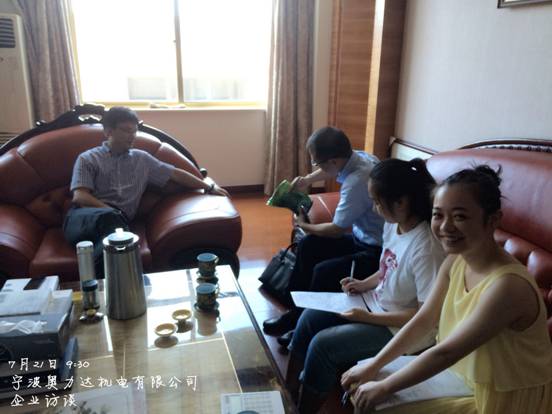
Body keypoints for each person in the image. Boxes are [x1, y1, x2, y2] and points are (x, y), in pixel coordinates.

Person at [341, 165, 552, 414]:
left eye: (460, 216)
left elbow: (447, 352)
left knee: (378, 401)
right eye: (438, 215)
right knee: (366, 382)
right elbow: (425, 319)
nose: (445, 227)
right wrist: (375, 365)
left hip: (499, 396)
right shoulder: (456, 259)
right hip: (461, 373)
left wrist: (385, 387)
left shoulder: (508, 287)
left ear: (493, 219)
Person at [286, 158, 445, 413]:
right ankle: (287, 392)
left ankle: (304, 408)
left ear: (401, 202)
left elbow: (423, 317)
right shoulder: (394, 224)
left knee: (323, 346)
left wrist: (367, 318)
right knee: (309, 319)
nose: (374, 208)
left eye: (377, 202)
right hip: (374, 305)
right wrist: (364, 283)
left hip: (403, 330)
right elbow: (388, 267)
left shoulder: (426, 249)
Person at [63, 106, 228, 277]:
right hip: (83, 219)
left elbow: (175, 174)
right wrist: (113, 212)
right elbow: (80, 196)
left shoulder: (141, 159)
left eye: (134, 131)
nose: (132, 136)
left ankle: (100, 282)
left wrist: (208, 186)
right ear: (108, 131)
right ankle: (128, 281)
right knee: (116, 231)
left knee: (116, 241)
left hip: (117, 226)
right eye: (126, 130)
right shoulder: (88, 158)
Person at [263, 127, 384, 342]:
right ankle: (295, 312)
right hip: (361, 238)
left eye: (317, 163)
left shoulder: (357, 182)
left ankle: (304, 328)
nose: (317, 167)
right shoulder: (360, 157)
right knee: (308, 245)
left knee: (323, 271)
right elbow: (331, 169)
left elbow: (336, 230)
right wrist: (306, 180)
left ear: (333, 161)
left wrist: (303, 225)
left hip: (375, 252)